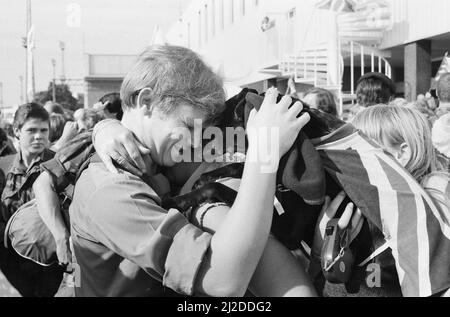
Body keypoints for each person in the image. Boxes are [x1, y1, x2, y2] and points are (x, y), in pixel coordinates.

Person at [68, 45, 314, 297]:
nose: (196, 143)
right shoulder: (111, 189)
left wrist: (104, 127)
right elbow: (221, 282)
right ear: (147, 101)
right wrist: (264, 152)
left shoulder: (156, 161)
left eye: (201, 129)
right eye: (188, 125)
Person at [0, 103, 64, 297]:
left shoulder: (61, 164)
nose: (39, 136)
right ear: (16, 131)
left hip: (53, 266)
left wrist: (73, 279)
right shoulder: (3, 167)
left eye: (44, 130)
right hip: (12, 265)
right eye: (31, 130)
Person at [353, 105, 450, 223]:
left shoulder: (436, 196)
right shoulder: (389, 196)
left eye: (364, 150)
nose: (354, 160)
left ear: (403, 152)